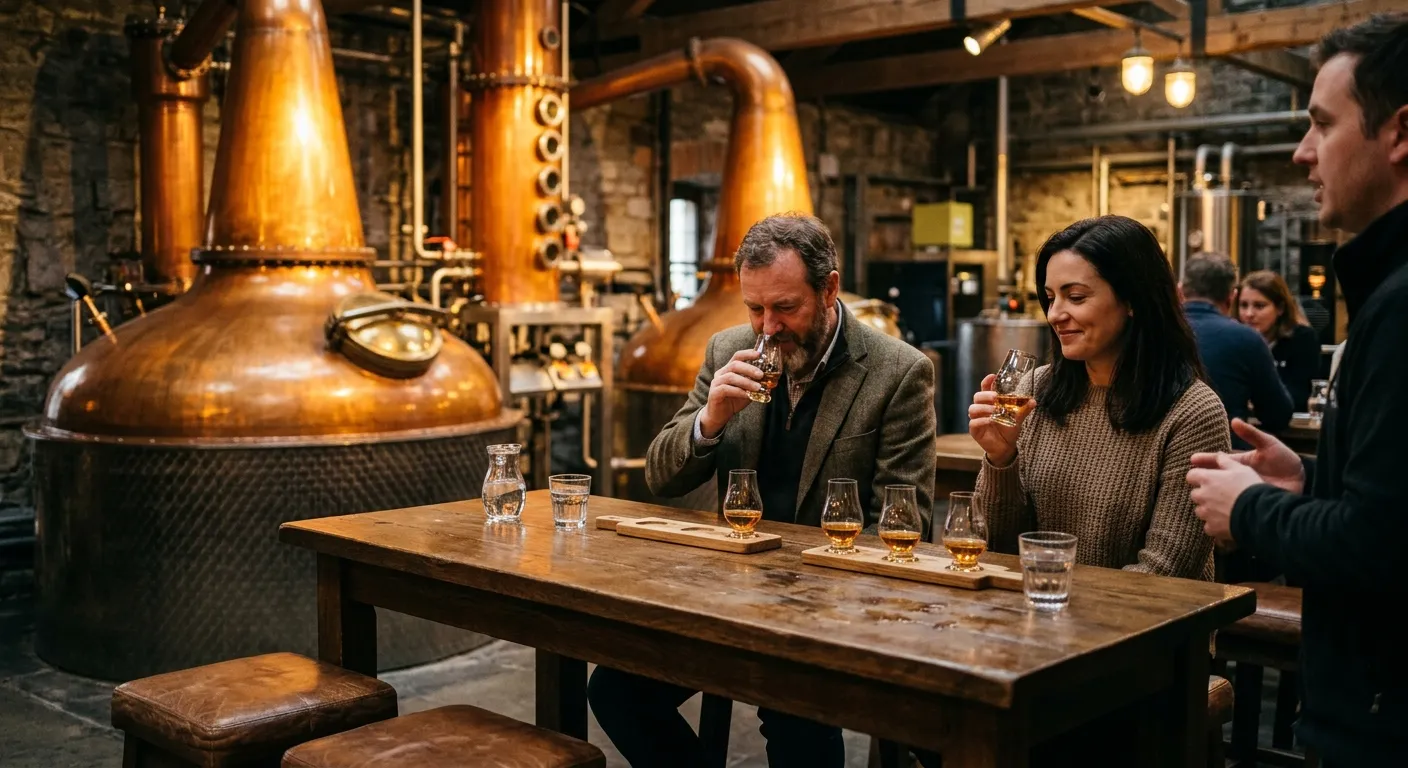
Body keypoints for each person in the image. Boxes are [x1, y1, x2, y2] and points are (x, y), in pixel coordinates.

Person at [589, 212, 938, 768]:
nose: (768, 327)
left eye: (785, 307)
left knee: (794, 716)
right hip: (731, 595)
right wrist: (711, 417)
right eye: (755, 308)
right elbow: (661, 476)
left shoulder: (898, 372)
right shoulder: (729, 347)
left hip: (826, 607)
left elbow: (904, 522)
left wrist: (813, 600)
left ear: (829, 288)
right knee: (615, 690)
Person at [1186, 14, 1408, 766]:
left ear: (1400, 133)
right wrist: (1307, 483)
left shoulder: (1402, 303)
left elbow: (1379, 548)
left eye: (1320, 124)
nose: (1301, 152)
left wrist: (1249, 509)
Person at [970, 215, 1229, 580]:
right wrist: (1001, 459)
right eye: (1049, 298)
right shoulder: (1033, 391)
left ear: (1132, 300)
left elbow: (1165, 572)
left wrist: (1059, 607)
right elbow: (1000, 550)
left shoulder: (1192, 412)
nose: (1056, 314)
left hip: (1144, 628)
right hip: (1036, 616)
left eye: (1075, 297)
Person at [1180, 255, 1294, 444]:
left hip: (1154, 458)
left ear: (1181, 290)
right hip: (1223, 457)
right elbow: (1278, 415)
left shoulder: (1147, 333)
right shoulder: (1245, 338)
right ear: (1231, 297)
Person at [1238, 269, 1322, 411]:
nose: (1249, 314)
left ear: (1280, 308)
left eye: (1259, 306)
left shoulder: (1302, 339)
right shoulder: (1234, 339)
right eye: (1244, 305)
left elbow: (1298, 396)